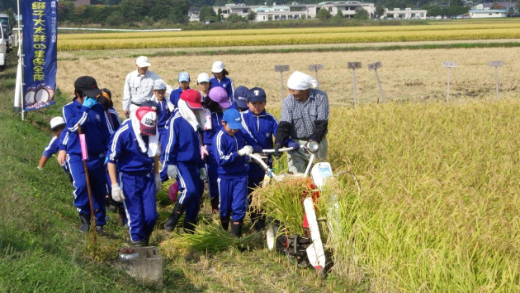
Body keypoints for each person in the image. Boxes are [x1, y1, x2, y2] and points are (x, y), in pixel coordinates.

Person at [59, 76, 114, 234]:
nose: (92, 98)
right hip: (77, 156)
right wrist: (85, 110)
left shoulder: (99, 109)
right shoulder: (69, 109)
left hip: (97, 156)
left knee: (99, 190)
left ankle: (100, 223)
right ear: (78, 93)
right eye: (88, 95)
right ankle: (84, 216)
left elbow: (109, 133)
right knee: (82, 185)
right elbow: (73, 126)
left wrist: (109, 152)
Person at [107, 101, 161, 246]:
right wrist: (114, 185)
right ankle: (138, 245)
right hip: (129, 177)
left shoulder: (152, 128)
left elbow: (154, 151)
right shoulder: (123, 133)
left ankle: (145, 239)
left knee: (151, 216)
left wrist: (156, 175)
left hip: (147, 176)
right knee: (136, 216)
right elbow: (111, 160)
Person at [240, 87, 285, 231]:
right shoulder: (242, 118)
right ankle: (255, 224)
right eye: (254, 103)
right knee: (251, 194)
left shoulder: (270, 119)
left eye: (260, 103)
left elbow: (280, 135)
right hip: (249, 164)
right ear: (247, 103)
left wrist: (287, 144)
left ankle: (262, 224)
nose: (257, 106)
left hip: (265, 166)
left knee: (264, 194)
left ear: (265, 103)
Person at [163, 89, 206, 233]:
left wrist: (201, 165)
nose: (194, 111)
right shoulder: (177, 120)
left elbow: (198, 145)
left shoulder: (195, 122)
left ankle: (189, 229)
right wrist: (170, 162)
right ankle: (173, 218)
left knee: (195, 197)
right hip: (181, 162)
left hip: (194, 163)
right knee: (189, 190)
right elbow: (169, 143)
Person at [275, 71, 330, 174]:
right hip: (296, 144)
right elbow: (284, 125)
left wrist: (313, 141)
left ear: (304, 90)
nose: (291, 93)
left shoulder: (321, 97)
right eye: (289, 90)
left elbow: (322, 123)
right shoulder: (288, 102)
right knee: (297, 178)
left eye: (293, 90)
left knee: (320, 176)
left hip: (317, 143)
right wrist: (279, 142)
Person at [212, 108, 253, 237]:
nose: (234, 130)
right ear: (223, 123)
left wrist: (252, 148)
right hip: (225, 177)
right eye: (232, 127)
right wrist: (239, 153)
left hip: (241, 175)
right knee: (225, 207)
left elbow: (251, 142)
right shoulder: (219, 138)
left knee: (239, 205)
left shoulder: (240, 133)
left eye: (237, 127)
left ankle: (236, 237)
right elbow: (221, 159)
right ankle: (224, 233)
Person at [202, 86, 232, 214]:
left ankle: (226, 201)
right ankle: (215, 204)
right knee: (213, 176)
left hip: (224, 146)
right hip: (210, 149)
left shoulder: (224, 112)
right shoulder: (203, 112)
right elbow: (198, 130)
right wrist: (201, 145)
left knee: (225, 175)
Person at [37, 117, 72, 183]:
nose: (60, 131)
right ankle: (71, 176)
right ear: (53, 132)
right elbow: (47, 152)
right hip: (68, 165)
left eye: (62, 128)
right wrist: (40, 168)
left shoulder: (73, 135)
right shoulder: (56, 140)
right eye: (56, 130)